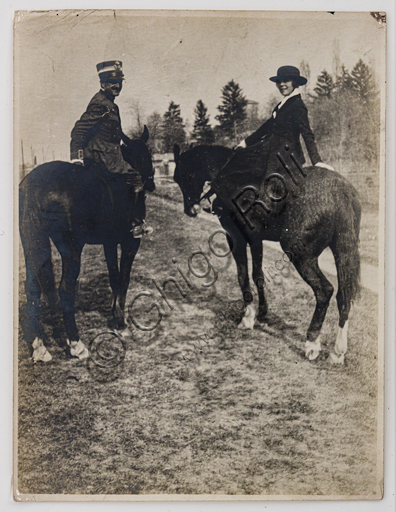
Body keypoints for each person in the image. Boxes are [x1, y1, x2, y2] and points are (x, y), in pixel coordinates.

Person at [70, 60, 153, 238]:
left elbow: (115, 134)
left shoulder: (109, 103)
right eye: (111, 82)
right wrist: (76, 157)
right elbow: (79, 130)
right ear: (102, 84)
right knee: (136, 178)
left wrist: (129, 143)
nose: (117, 85)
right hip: (103, 156)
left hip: (108, 153)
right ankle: (136, 224)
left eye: (119, 82)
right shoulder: (102, 104)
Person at [237, 65, 334, 171]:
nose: (281, 84)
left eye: (286, 81)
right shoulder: (281, 105)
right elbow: (265, 128)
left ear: (295, 82)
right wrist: (245, 143)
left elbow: (307, 133)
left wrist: (316, 160)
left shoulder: (298, 105)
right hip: (273, 155)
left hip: (288, 158)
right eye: (279, 81)